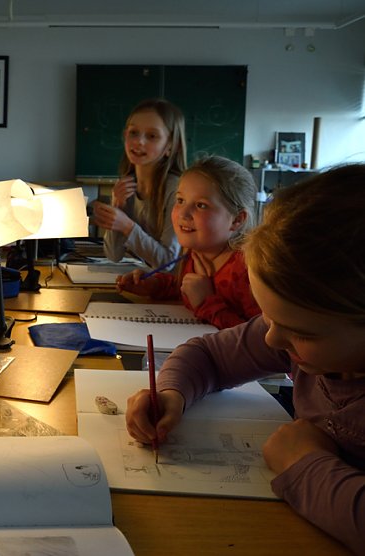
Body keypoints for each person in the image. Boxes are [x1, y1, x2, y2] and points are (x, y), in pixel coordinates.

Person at [124, 164, 365, 553]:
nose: (272, 338)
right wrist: (173, 393)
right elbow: (209, 354)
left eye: (301, 332)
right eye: (268, 317)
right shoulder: (293, 331)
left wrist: (305, 463)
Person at [116, 155, 261, 329]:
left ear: (237, 220)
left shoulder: (248, 270)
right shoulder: (195, 253)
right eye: (180, 200)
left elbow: (261, 339)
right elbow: (184, 287)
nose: (183, 213)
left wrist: (206, 303)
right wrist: (153, 286)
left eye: (201, 205)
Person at [92, 98, 187, 269]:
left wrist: (127, 226)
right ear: (125, 136)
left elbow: (166, 262)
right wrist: (118, 206)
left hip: (174, 290)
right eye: (134, 132)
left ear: (171, 146)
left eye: (152, 136)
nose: (139, 141)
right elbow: (113, 255)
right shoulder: (126, 187)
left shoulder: (178, 191)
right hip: (143, 284)